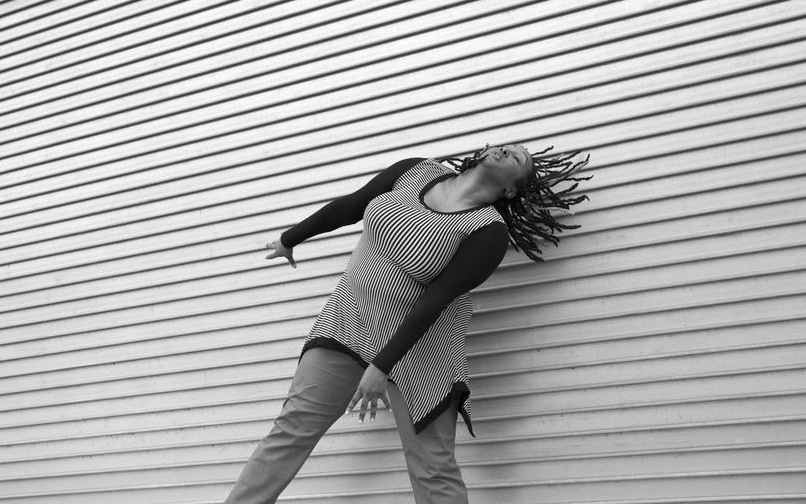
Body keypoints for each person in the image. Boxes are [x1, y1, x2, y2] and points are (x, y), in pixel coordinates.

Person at [224, 143, 591, 503]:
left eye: (518, 157)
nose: (507, 150)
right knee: (292, 428)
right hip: (349, 321)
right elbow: (353, 206)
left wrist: (381, 365)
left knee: (431, 465)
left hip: (422, 351)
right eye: (505, 146)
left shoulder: (488, 232)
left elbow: (437, 300)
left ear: (511, 189)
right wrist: (291, 238)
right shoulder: (416, 170)